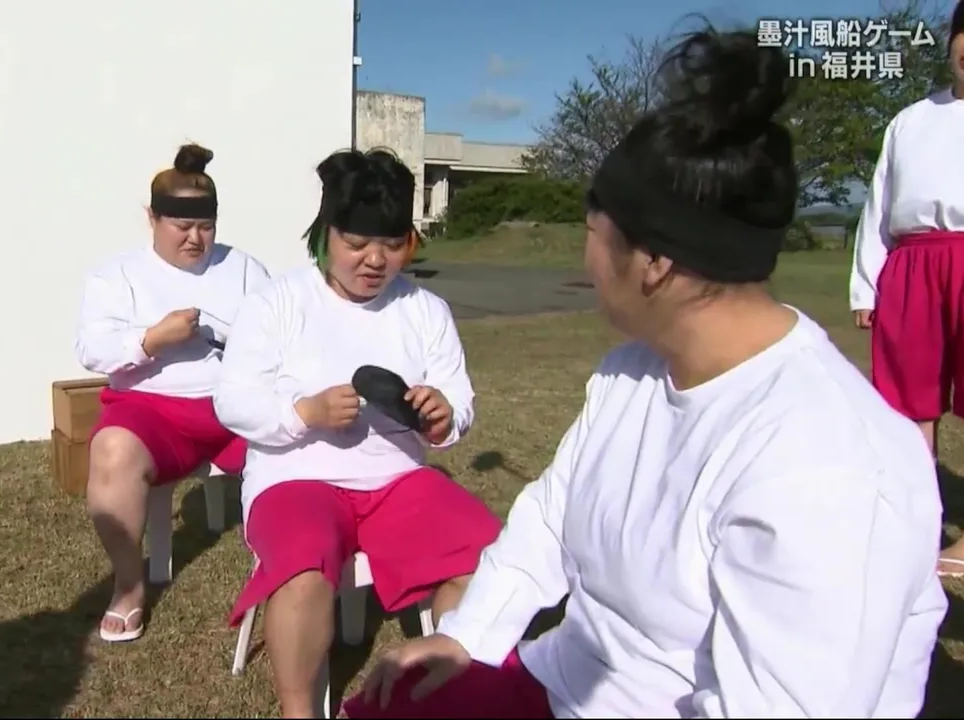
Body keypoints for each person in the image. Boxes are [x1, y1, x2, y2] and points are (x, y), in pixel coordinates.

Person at [342, 24, 947, 719]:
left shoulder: (829, 460)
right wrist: (468, 636)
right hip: (561, 683)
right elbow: (551, 518)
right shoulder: (632, 372)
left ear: (654, 261)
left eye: (592, 235)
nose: (585, 262)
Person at [213, 148, 503, 718]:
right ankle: (300, 711)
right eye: (357, 243)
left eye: (393, 244)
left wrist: (444, 415)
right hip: (295, 477)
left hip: (397, 480)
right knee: (302, 570)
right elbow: (234, 402)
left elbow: (458, 399)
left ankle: (449, 701)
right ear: (326, 233)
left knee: (485, 558)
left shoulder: (424, 309)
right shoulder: (276, 302)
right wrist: (305, 412)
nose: (375, 259)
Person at [74, 143, 271, 643]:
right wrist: (150, 340)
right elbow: (91, 350)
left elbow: (279, 340)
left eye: (206, 226)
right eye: (181, 226)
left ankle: (297, 569)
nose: (195, 239)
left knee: (309, 439)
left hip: (233, 406)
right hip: (151, 412)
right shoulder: (116, 276)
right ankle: (128, 585)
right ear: (153, 218)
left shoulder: (245, 270)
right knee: (112, 450)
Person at [850, 1, 964, 578]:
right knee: (907, 402)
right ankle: (920, 523)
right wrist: (866, 286)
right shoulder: (911, 120)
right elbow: (879, 203)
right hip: (912, 263)